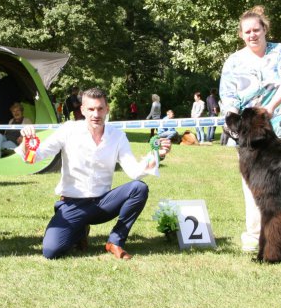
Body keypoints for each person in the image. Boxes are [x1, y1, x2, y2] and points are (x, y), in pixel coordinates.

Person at [16, 87, 171, 260]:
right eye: (90, 109)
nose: (95, 114)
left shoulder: (118, 136)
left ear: (107, 109)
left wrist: (159, 155)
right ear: (82, 110)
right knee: (51, 252)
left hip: (103, 204)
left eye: (100, 109)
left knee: (138, 188)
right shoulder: (68, 130)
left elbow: (134, 171)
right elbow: (35, 156)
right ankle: (80, 230)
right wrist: (26, 142)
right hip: (72, 204)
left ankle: (115, 241)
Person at [219, 5, 281, 254]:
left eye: (256, 30)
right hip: (251, 136)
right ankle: (255, 235)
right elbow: (228, 97)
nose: (252, 35)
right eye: (247, 31)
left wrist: (270, 107)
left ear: (265, 30)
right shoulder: (234, 62)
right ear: (241, 35)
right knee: (256, 186)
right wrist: (230, 120)